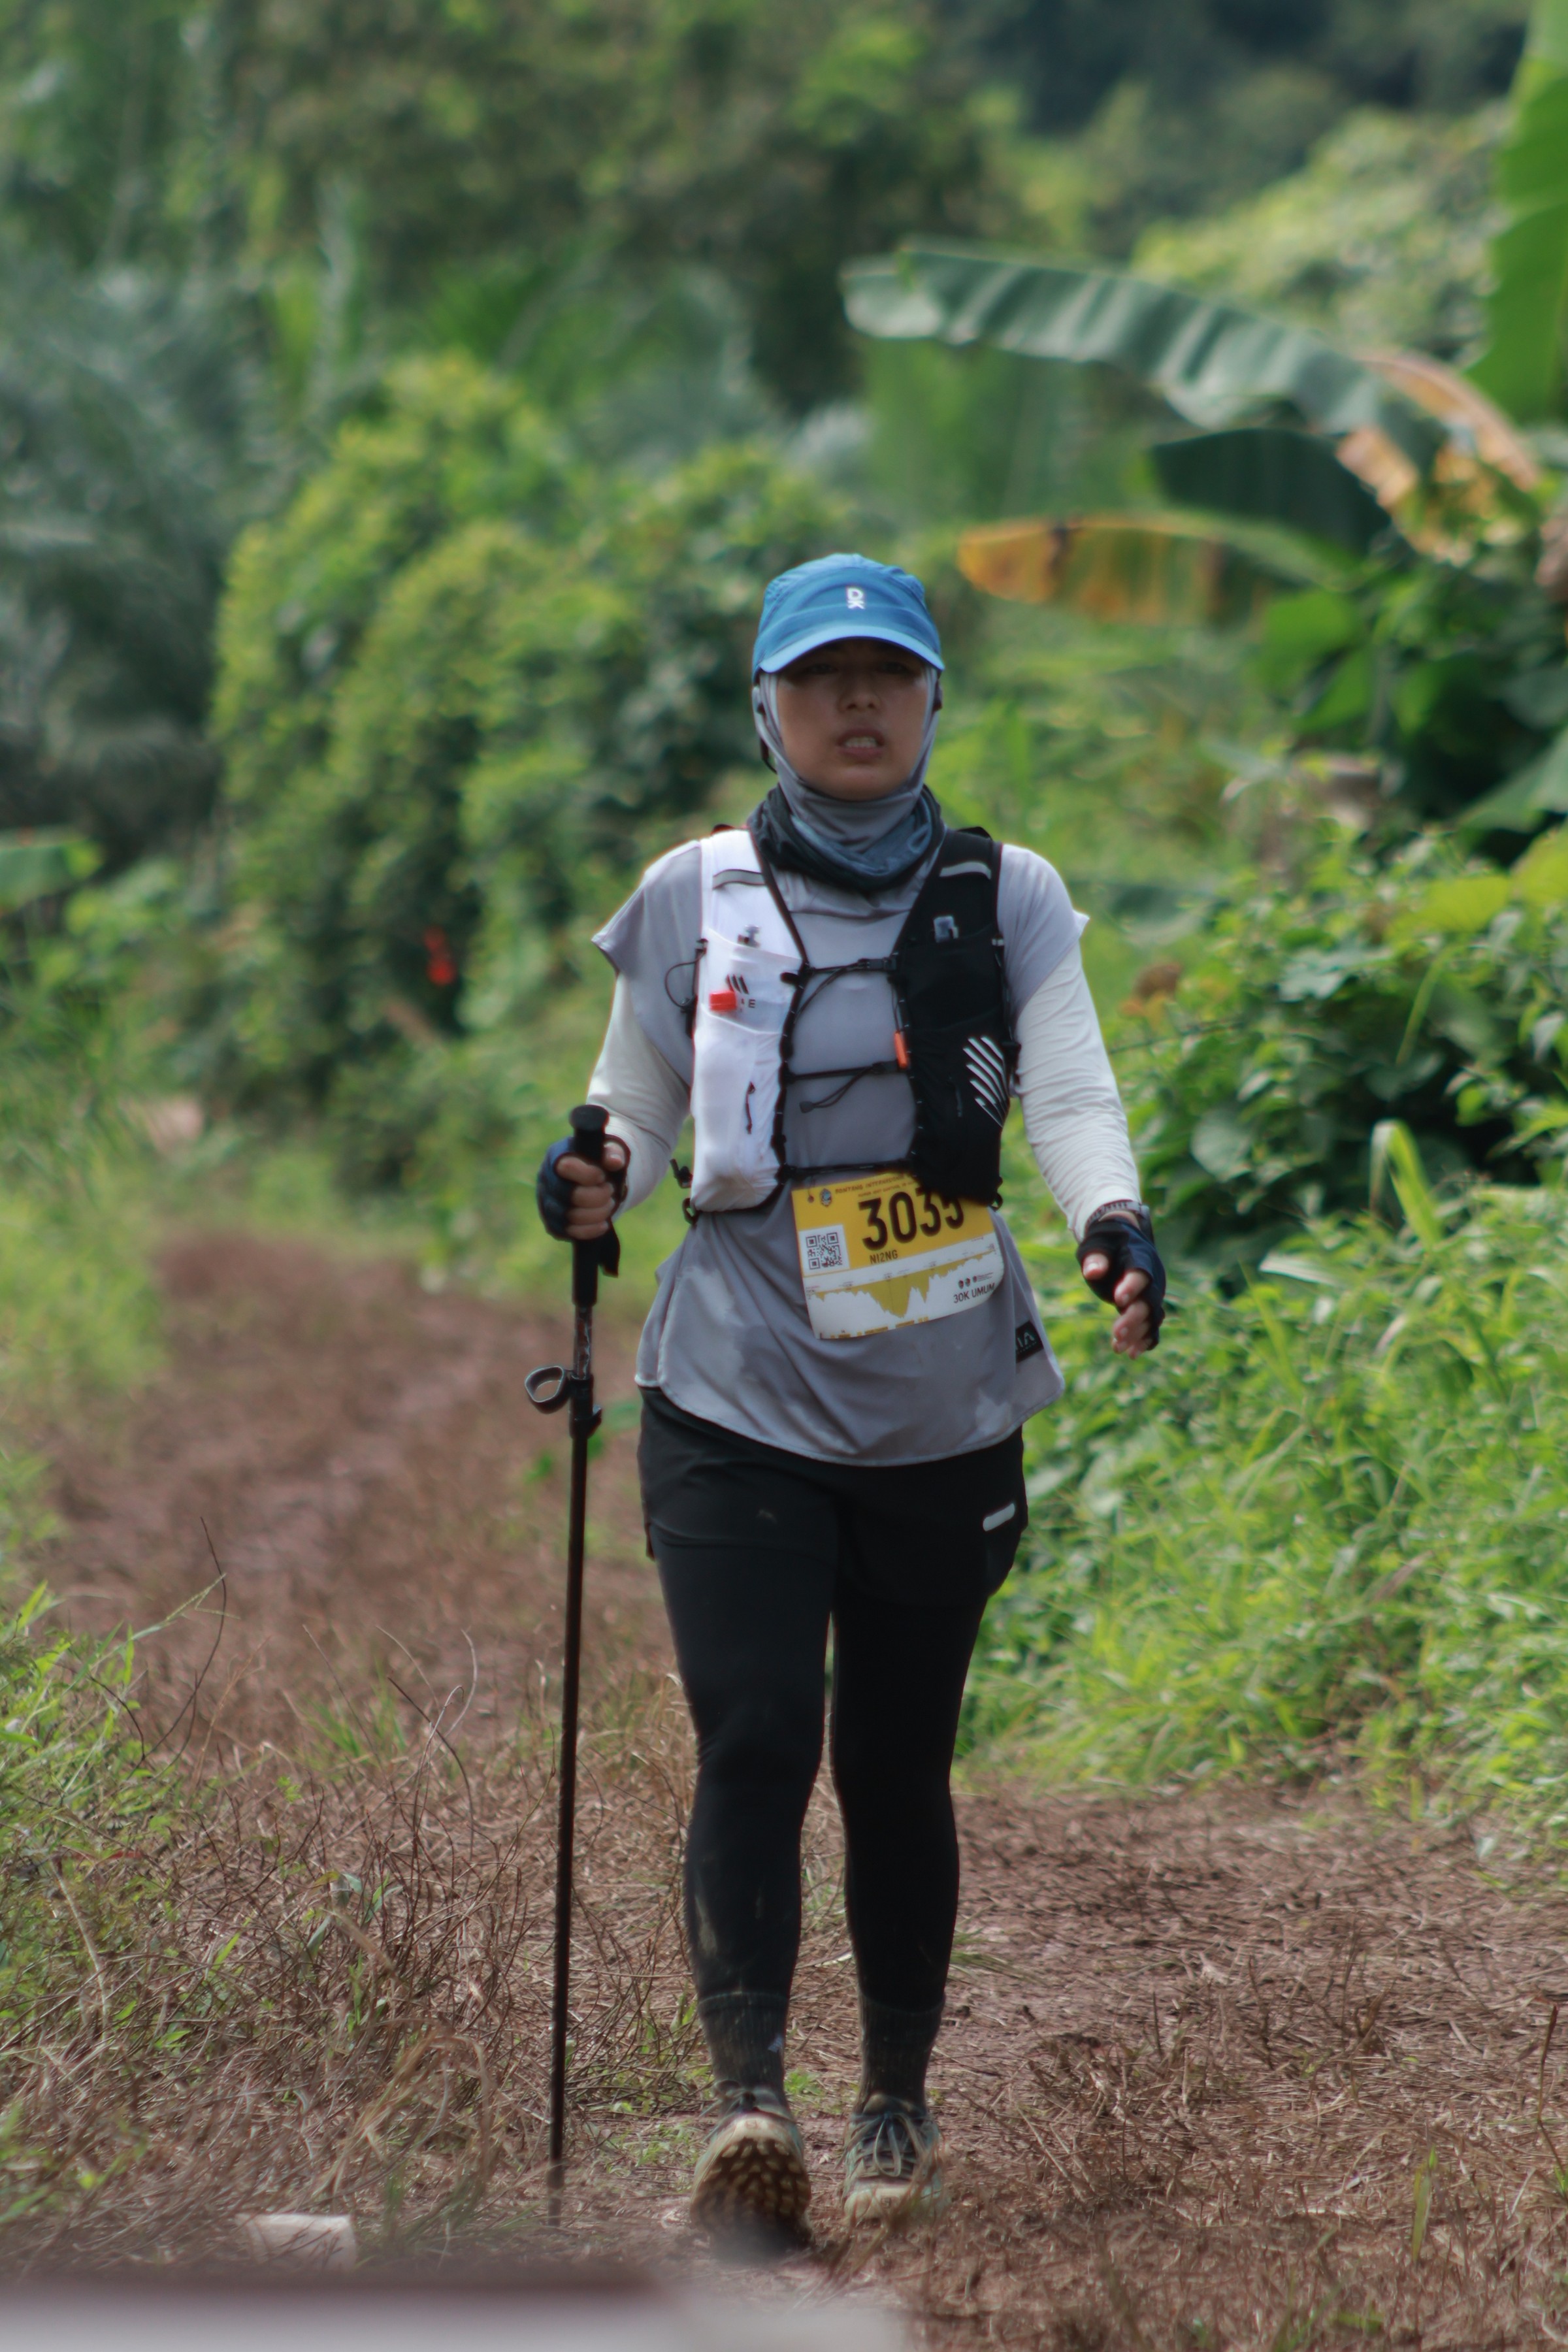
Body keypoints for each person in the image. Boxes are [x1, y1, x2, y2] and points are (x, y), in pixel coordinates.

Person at [536, 553, 1165, 2240]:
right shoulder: (693, 892)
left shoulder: (1009, 893)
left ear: (934, 699)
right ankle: (750, 2106)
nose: (859, 703)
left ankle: (894, 2104)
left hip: (939, 1394)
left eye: (889, 675)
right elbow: (634, 1099)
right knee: (755, 1731)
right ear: (770, 707)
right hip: (734, 1379)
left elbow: (1070, 1090)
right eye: (823, 679)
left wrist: (1111, 1221)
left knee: (896, 1763)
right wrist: (595, 1172)